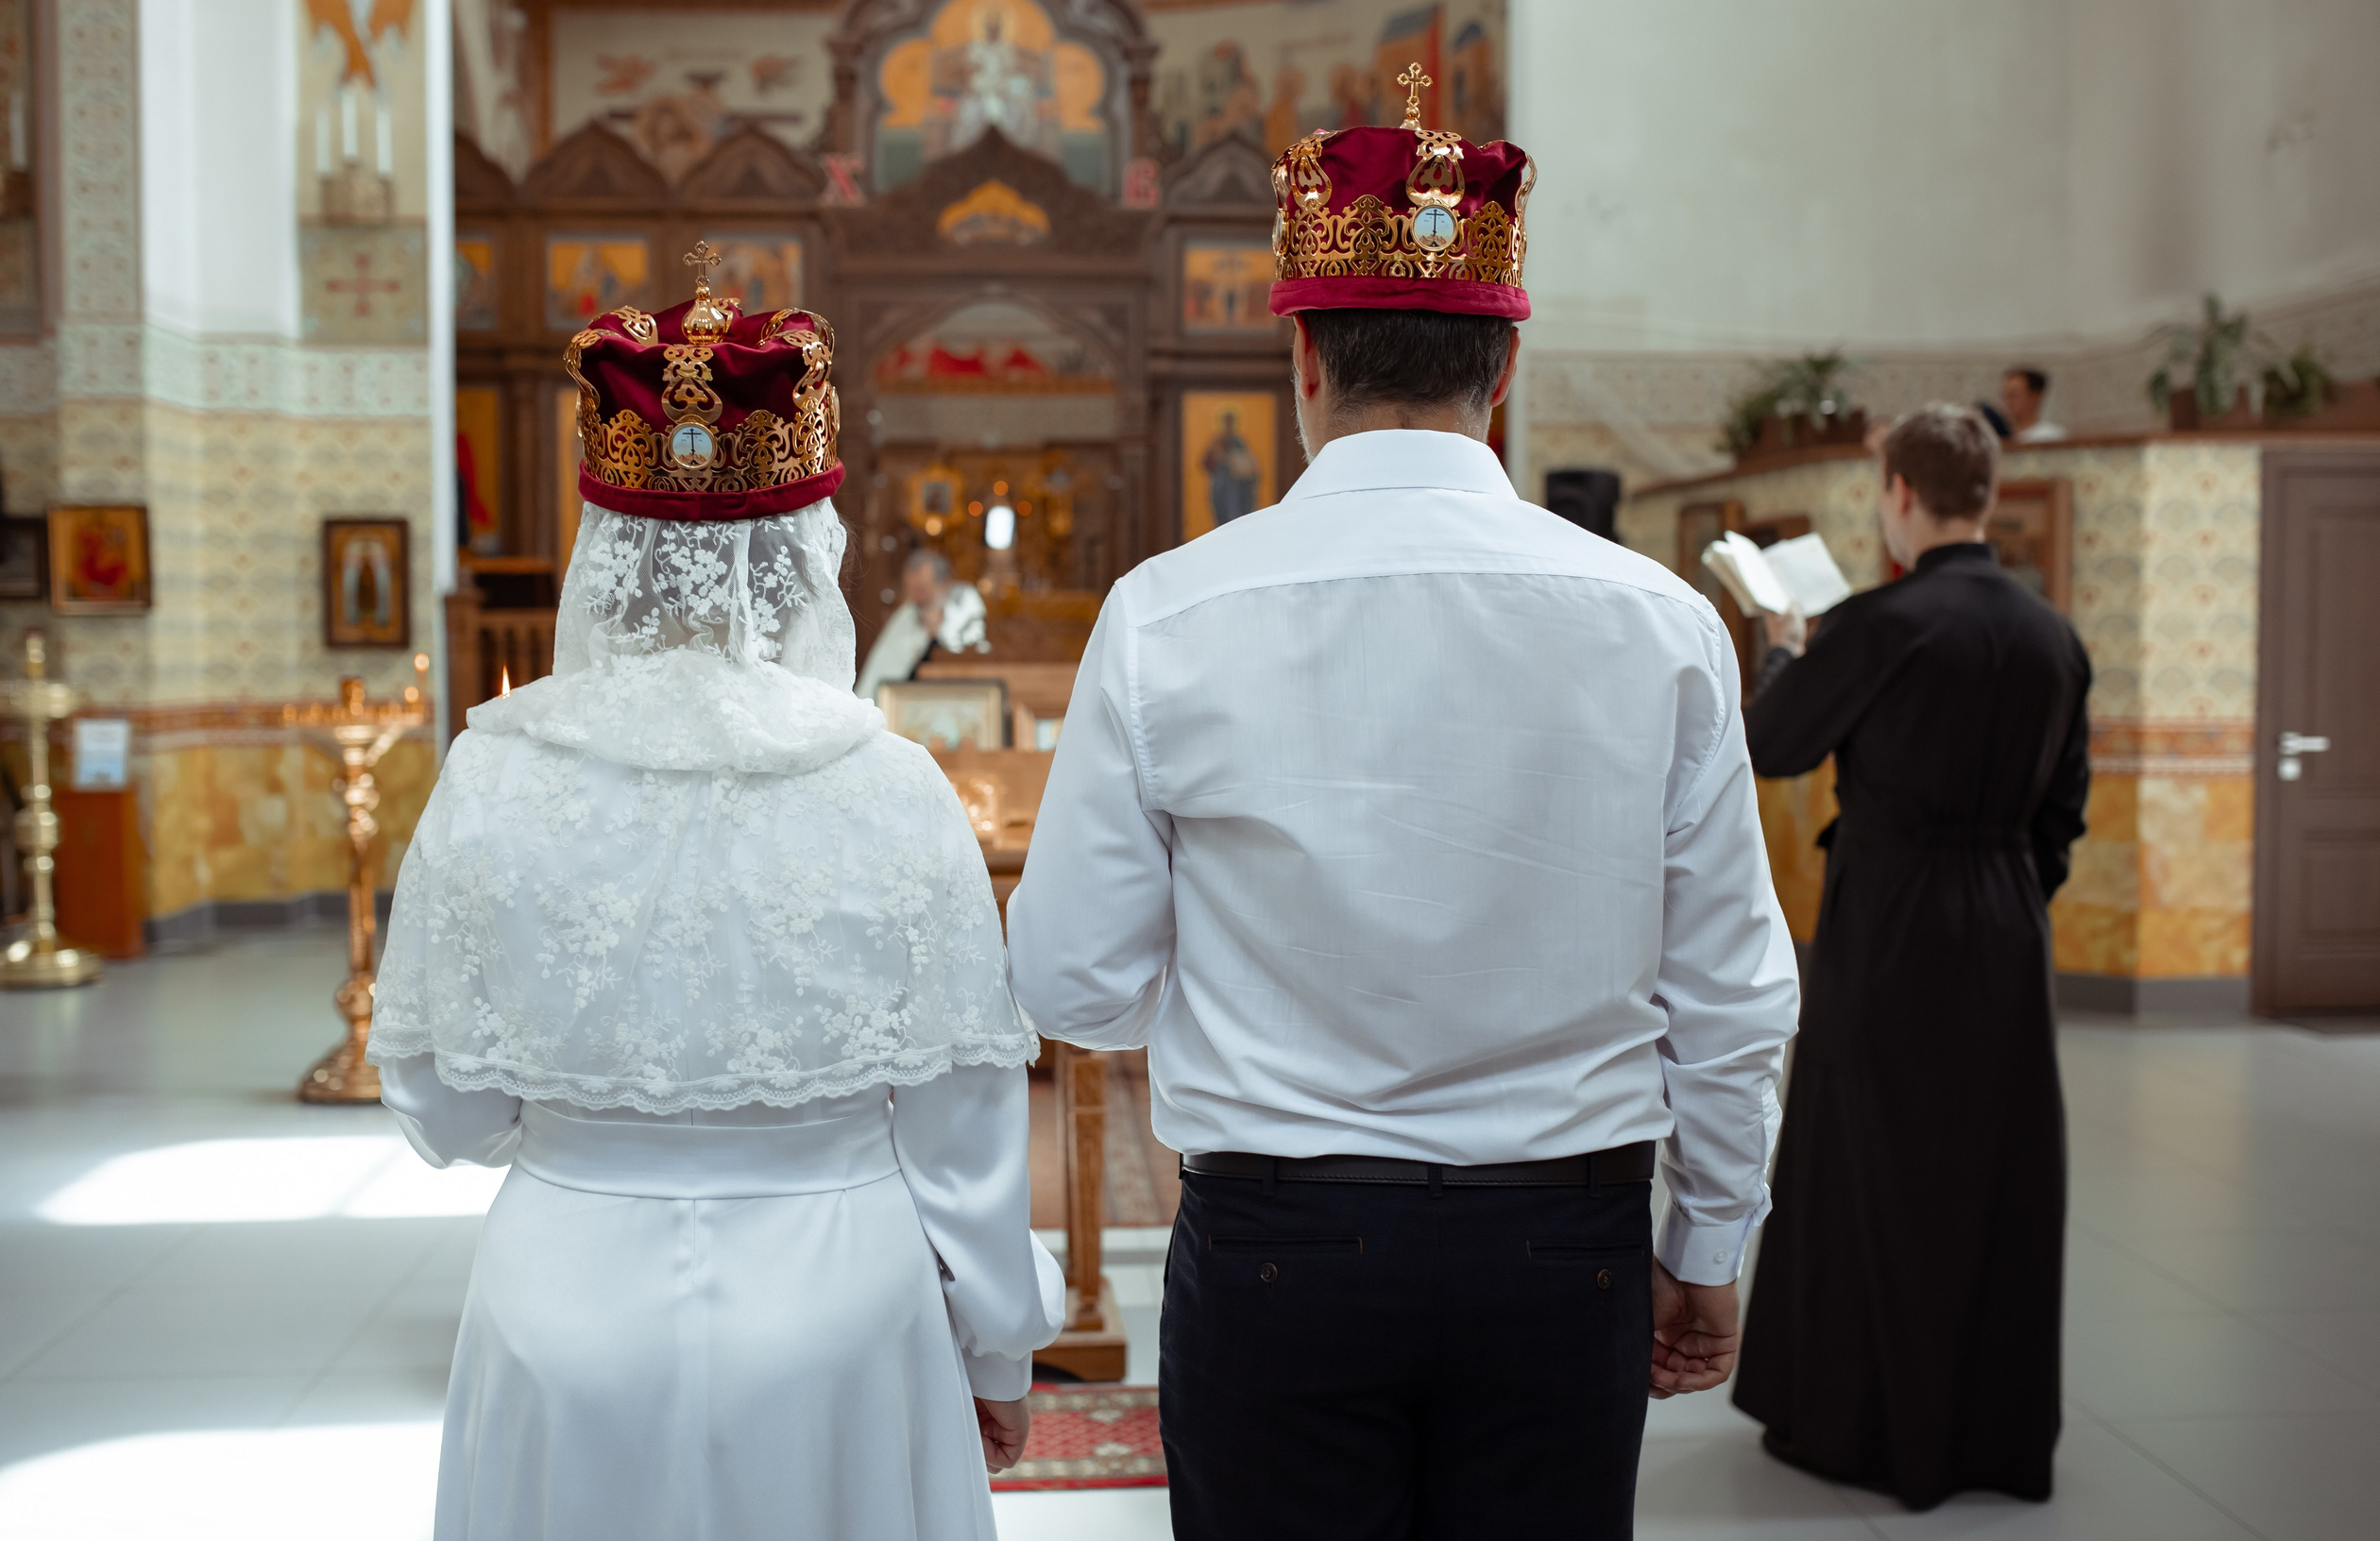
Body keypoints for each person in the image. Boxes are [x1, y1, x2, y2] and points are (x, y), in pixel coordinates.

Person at [1005, 93, 1798, 1539]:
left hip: (1277, 1247)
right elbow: (1732, 991)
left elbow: (1070, 981)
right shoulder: (1664, 622)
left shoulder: (1167, 614)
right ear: (1506, 367)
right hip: (1567, 1242)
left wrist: (1252, 979)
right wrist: (1707, 1239)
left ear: (1302, 359)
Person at [367, 285, 1062, 1541]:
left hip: (564, 1298)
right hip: (841, 1313)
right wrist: (998, 1349)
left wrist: (588, 1126)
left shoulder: (493, 773)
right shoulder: (892, 783)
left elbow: (440, 1100)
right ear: (805, 551)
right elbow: (964, 1128)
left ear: (603, 550)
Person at [1734, 403, 2091, 1511]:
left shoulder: (1879, 624)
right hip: (2007, 919)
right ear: (1983, 493)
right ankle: (1989, 1433)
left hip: (1890, 918)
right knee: (1993, 1169)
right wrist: (2003, 889)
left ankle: (1858, 1427)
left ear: (1898, 494)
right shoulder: (2051, 636)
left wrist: (1784, 647)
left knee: (1872, 1159)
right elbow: (2062, 815)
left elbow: (1772, 745)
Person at [856, 547, 987, 698]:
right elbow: (883, 669)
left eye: (922, 589)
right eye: (912, 590)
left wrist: (939, 629)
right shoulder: (908, 612)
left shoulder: (965, 599)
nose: (917, 599)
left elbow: (970, 647)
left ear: (943, 583)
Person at [2002, 366, 2066, 442]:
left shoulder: (2052, 436)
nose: (2008, 401)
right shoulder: (2001, 435)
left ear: (2035, 396)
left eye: (2014, 394)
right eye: (2005, 395)